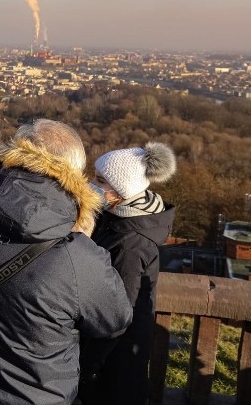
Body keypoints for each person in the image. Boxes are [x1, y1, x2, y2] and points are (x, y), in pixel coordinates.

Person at [0, 119, 133, 405]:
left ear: (13, 152)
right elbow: (115, 319)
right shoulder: (76, 256)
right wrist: (85, 241)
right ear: (74, 176)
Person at [78, 142, 178, 405]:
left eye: (100, 180)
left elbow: (116, 314)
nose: (91, 184)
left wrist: (86, 368)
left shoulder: (130, 243)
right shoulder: (119, 216)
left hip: (113, 365)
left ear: (122, 190)